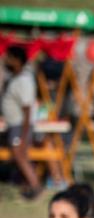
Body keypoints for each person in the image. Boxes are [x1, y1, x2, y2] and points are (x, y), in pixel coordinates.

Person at [1, 45, 42, 199]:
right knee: (19, 157)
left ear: (17, 60)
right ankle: (28, 185)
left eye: (9, 57)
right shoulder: (15, 78)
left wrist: (24, 136)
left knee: (20, 156)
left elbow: (27, 110)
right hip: (15, 126)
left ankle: (35, 186)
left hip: (20, 126)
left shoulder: (24, 80)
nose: (6, 60)